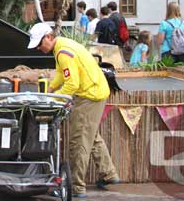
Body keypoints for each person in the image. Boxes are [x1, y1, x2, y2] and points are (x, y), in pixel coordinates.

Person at [27, 23, 119, 198]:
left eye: (39, 44)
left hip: (89, 96)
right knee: (90, 136)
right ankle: (109, 173)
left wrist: (53, 99)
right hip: (95, 92)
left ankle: (76, 186)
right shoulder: (62, 46)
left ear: (48, 36)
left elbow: (72, 84)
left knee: (78, 142)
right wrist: (51, 88)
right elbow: (62, 74)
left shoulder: (63, 52)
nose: (39, 48)